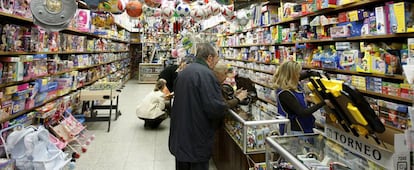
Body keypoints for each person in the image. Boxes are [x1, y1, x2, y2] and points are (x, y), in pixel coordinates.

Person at [169, 43, 229, 170]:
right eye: (216, 59)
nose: (216, 63)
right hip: (196, 140)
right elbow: (214, 108)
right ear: (210, 58)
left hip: (181, 137)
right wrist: (226, 105)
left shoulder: (184, 72)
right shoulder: (206, 75)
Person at [273, 61, 326, 134]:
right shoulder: (285, 93)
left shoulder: (291, 83)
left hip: (304, 126)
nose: (299, 75)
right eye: (297, 73)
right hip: (296, 131)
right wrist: (323, 103)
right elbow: (302, 113)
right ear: (292, 75)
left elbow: (303, 75)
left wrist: (313, 73)